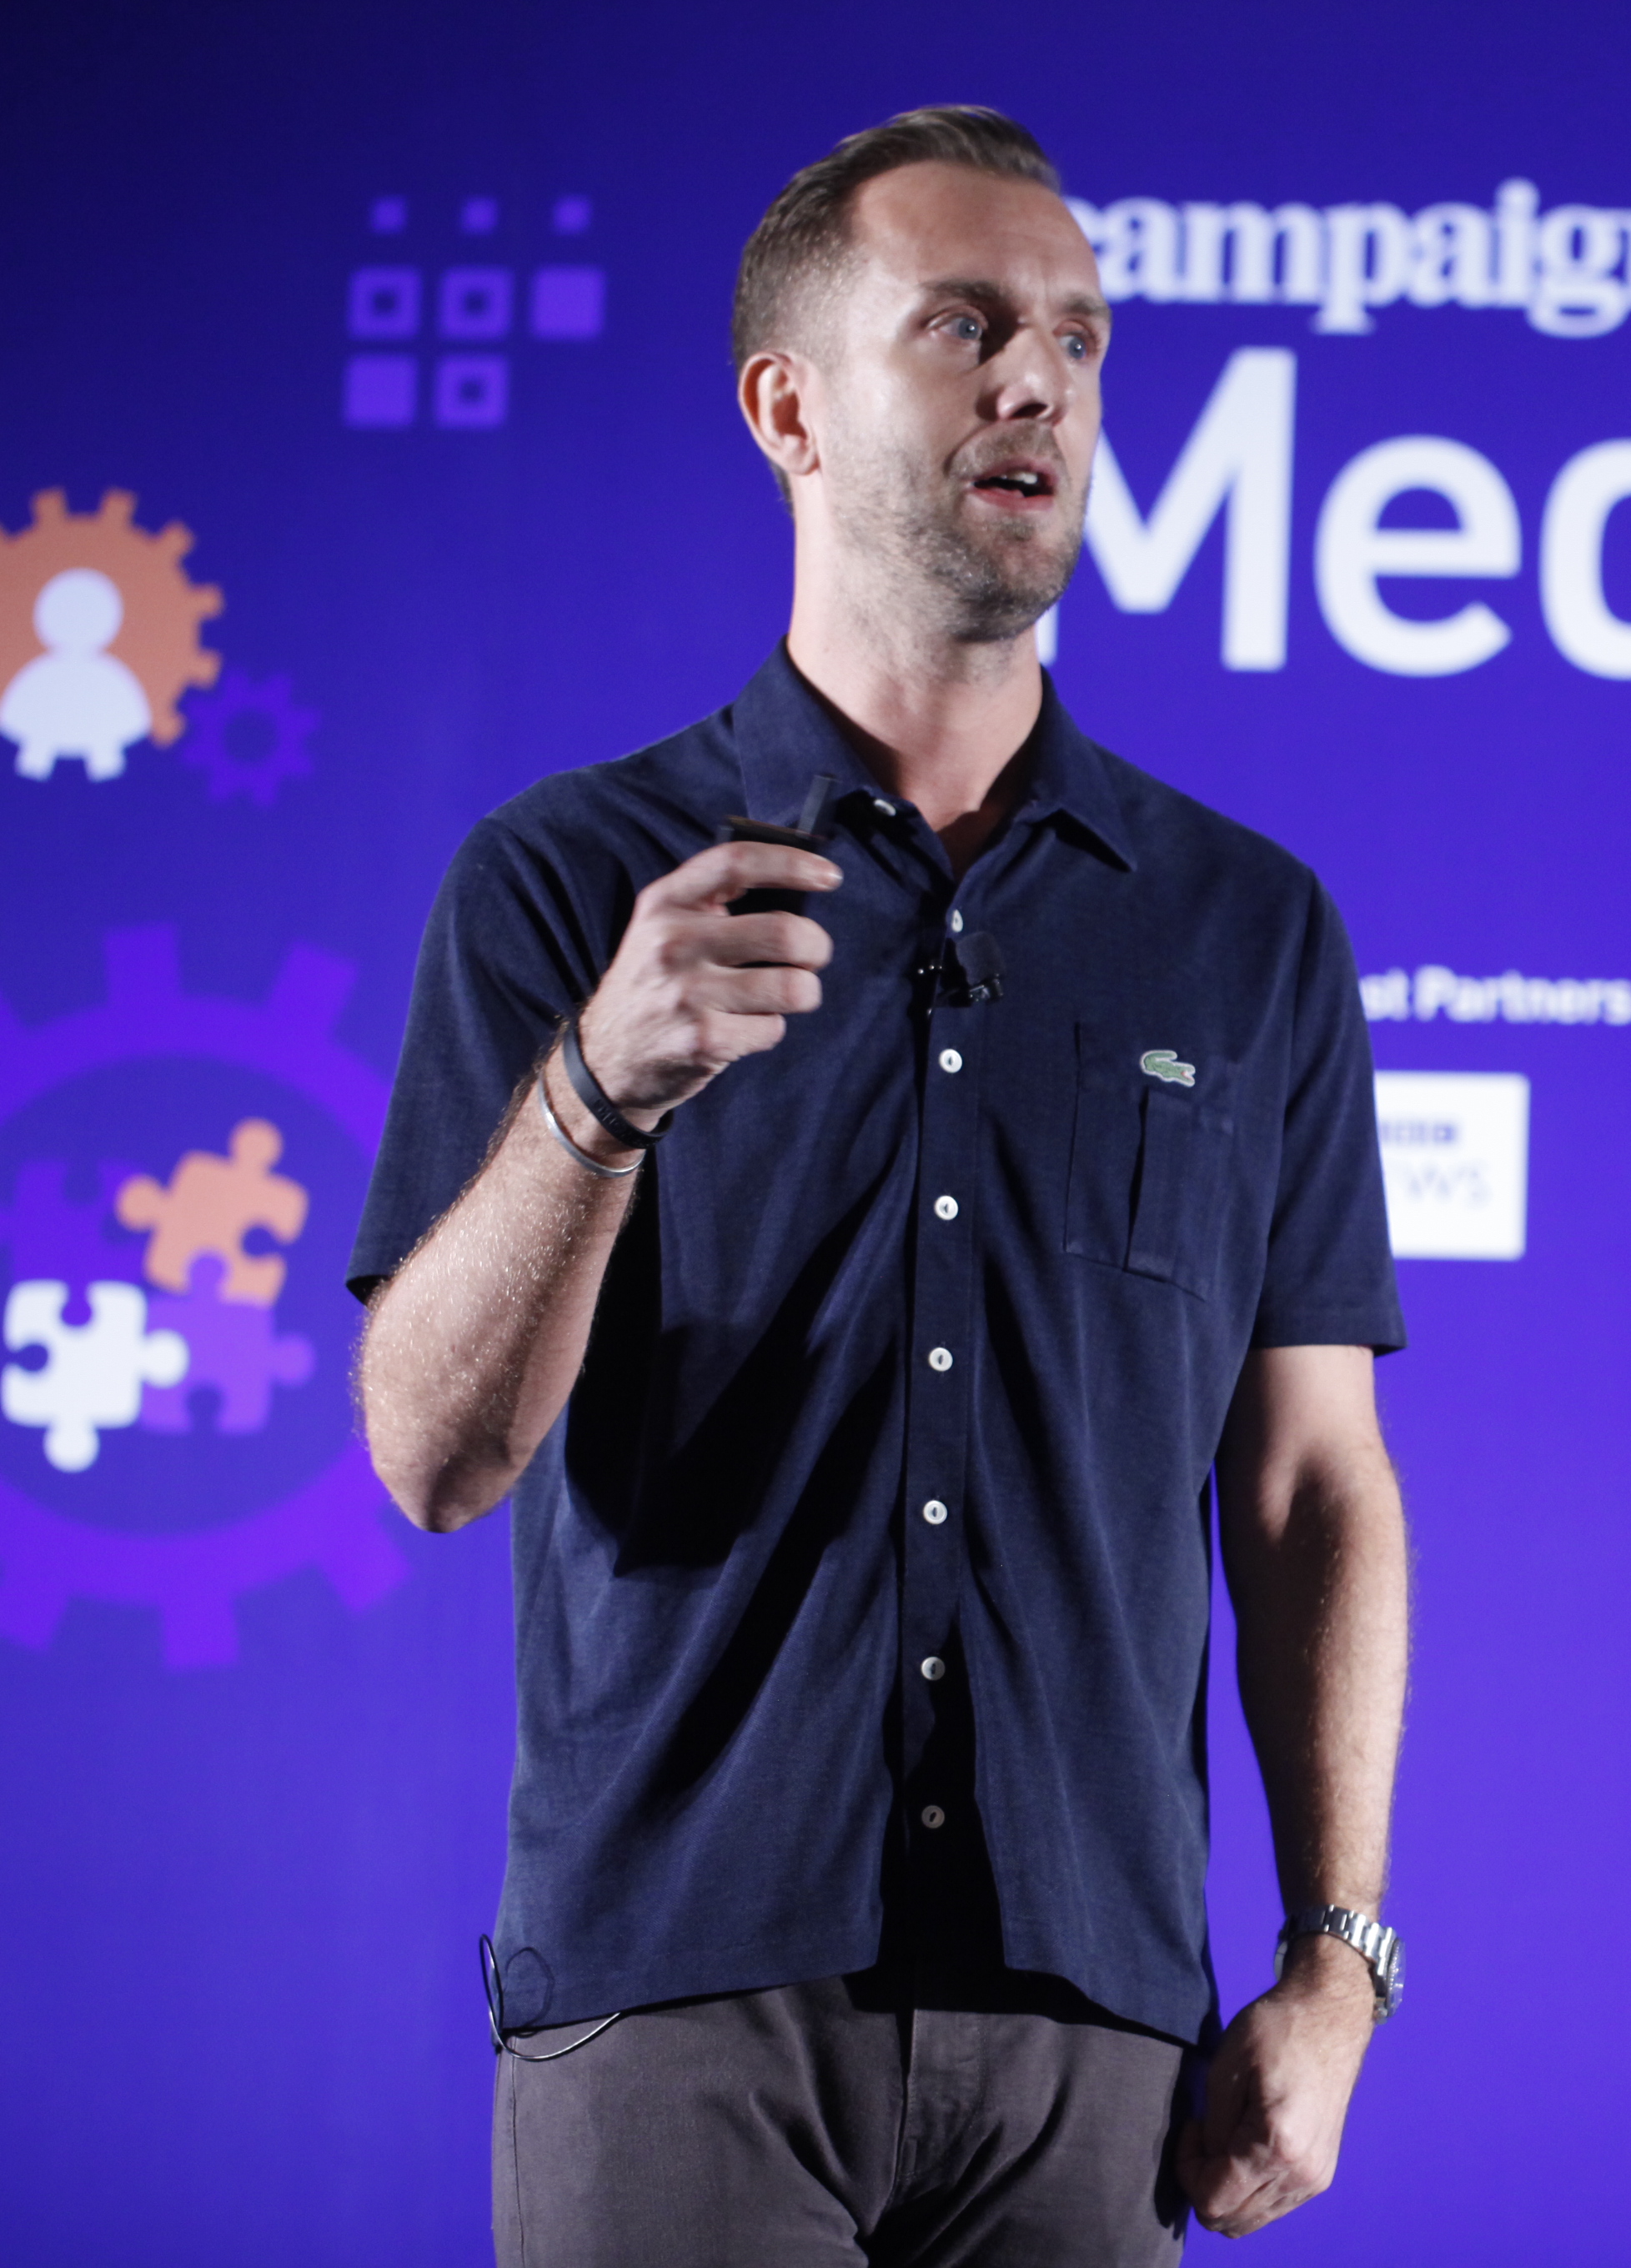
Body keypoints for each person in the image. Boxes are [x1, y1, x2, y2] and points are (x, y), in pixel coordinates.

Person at [349, 106, 1410, 2267]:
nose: (1044, 383)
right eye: (967, 326)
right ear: (789, 408)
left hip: (1095, 2034)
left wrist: (1336, 1961)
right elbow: (434, 1458)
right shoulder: (571, 881)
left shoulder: (1247, 930)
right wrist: (596, 1095)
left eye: (1081, 340)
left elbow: (1314, 1485)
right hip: (674, 2000)